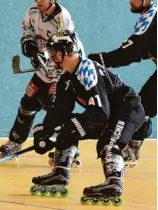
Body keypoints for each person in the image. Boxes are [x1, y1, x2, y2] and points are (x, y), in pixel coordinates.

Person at [30, 31, 145, 206]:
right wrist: (43, 131)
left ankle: (114, 183)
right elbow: (59, 111)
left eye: (53, 53)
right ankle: (60, 173)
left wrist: (69, 127)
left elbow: (100, 113)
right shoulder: (67, 78)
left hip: (128, 108)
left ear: (63, 52)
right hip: (108, 113)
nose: (51, 57)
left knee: (109, 143)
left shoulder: (86, 69)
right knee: (66, 126)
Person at [0, 0, 82, 166]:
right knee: (27, 104)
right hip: (44, 68)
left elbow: (66, 50)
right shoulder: (33, 11)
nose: (38, 0)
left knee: (57, 109)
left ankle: (67, 149)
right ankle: (15, 142)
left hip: (63, 70)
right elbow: (27, 29)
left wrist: (53, 72)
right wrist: (29, 45)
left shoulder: (63, 18)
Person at [88, 0, 156, 167]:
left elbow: (131, 53)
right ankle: (133, 148)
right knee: (143, 107)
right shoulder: (149, 17)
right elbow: (140, 52)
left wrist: (99, 59)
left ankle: (132, 149)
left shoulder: (151, 17)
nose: (130, 1)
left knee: (141, 108)